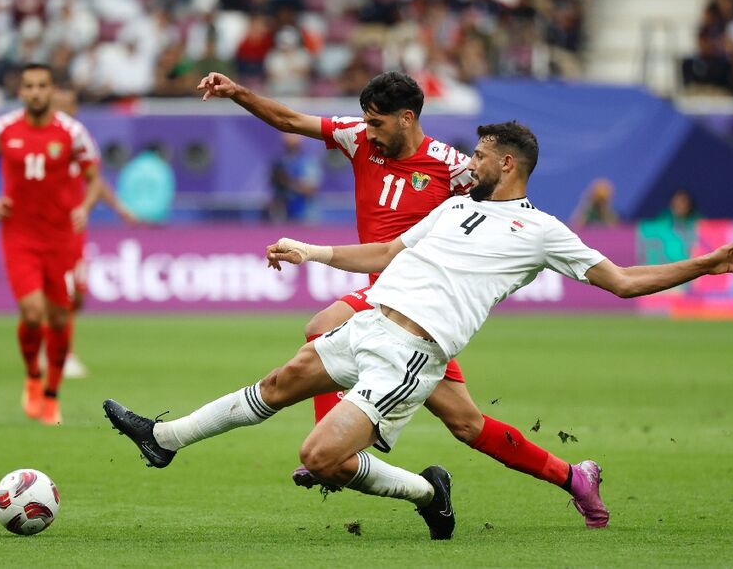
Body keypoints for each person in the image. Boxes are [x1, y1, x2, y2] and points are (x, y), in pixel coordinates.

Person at [103, 122, 733, 539]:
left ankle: (427, 489)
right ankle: (164, 439)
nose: (467, 164)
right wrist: (313, 251)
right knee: (281, 380)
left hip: (412, 356)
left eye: (479, 156)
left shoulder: (542, 230)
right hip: (368, 322)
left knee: (320, 458)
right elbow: (388, 254)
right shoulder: (453, 208)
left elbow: (620, 280)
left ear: (508, 163)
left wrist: (701, 264)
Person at [195, 70, 609, 528]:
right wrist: (236, 93)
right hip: (390, 304)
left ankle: (334, 446)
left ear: (407, 118)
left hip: (414, 299)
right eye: (366, 121)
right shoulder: (358, 138)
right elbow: (290, 120)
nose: (367, 130)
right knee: (466, 424)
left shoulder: (452, 166)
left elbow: (500, 210)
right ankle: (574, 478)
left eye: (376, 122)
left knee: (323, 328)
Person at [0, 63, 103, 425]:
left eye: (42, 85)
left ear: (51, 90)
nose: (35, 92)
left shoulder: (73, 132)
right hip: (19, 235)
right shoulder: (2, 128)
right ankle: (33, 376)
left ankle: (52, 394)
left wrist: (85, 206)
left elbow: (94, 178)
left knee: (60, 318)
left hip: (60, 237)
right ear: (21, 91)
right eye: (28, 85)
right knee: (32, 313)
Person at [36, 86, 136, 379]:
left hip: (74, 228)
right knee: (59, 292)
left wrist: (118, 207)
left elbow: (95, 179)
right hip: (49, 228)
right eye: (58, 106)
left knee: (75, 296)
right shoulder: (41, 141)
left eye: (69, 106)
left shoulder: (79, 140)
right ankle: (60, 353)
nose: (64, 112)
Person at [266, 132, 322, 223]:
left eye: (293, 144)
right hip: (283, 216)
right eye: (287, 144)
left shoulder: (308, 162)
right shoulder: (279, 162)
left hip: (305, 216)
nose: (289, 147)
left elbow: (310, 189)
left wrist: (287, 181)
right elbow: (274, 188)